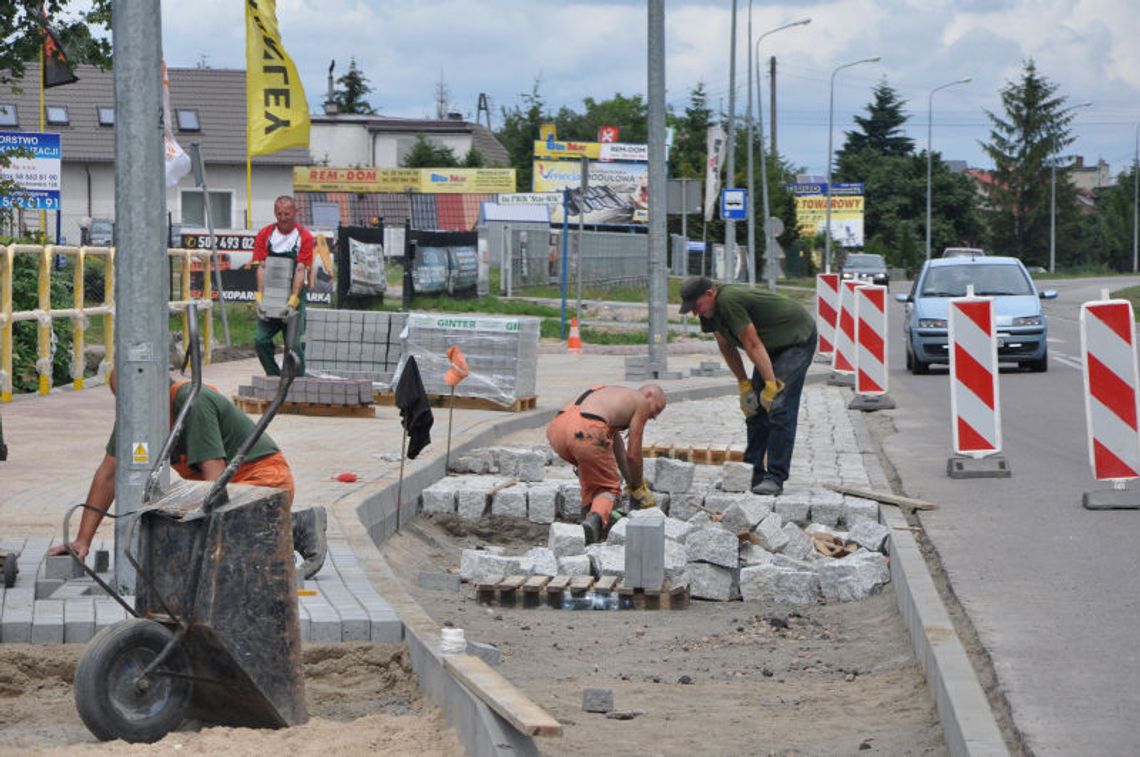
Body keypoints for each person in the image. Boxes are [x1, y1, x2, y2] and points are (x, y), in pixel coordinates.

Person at [48, 369, 328, 579]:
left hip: (264, 481)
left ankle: (293, 527)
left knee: (205, 550)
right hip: (232, 487)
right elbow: (107, 476)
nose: (130, 411)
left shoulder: (191, 402)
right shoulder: (137, 415)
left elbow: (215, 484)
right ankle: (268, 538)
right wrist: (82, 541)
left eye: (132, 402)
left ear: (151, 394)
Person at [678, 275, 817, 496]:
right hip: (770, 345)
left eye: (696, 306)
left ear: (709, 293)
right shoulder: (709, 310)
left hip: (795, 338)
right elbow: (726, 346)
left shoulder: (728, 301)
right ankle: (752, 472)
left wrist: (772, 385)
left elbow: (752, 343)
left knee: (779, 406)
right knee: (755, 409)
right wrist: (745, 384)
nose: (695, 313)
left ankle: (775, 477)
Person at [546, 384, 667, 544]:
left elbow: (621, 455)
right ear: (649, 395)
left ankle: (587, 517)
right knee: (608, 487)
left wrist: (630, 482)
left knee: (593, 473)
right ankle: (594, 523)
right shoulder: (641, 403)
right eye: (657, 409)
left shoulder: (611, 398)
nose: (655, 416)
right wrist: (639, 488)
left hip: (558, 429)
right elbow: (633, 456)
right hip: (587, 428)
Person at [253, 195, 314, 376]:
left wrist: (292, 301)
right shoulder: (265, 234)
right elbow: (261, 267)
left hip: (293, 296)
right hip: (271, 297)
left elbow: (300, 270)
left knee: (293, 345)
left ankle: (299, 383)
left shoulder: (304, 237)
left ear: (295, 212)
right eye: (279, 214)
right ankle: (273, 378)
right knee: (260, 340)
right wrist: (260, 299)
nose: (283, 217)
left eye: (287, 213)